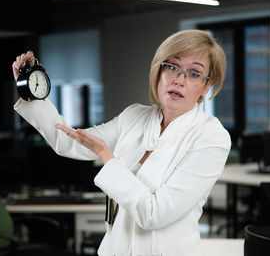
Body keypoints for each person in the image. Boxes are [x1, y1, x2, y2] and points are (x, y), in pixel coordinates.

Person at [12, 29, 231, 256]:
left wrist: (107, 157)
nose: (179, 79)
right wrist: (31, 90)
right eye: (172, 67)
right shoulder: (134, 116)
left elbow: (154, 214)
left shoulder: (211, 136)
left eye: (194, 73)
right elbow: (69, 142)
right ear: (159, 70)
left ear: (206, 86)